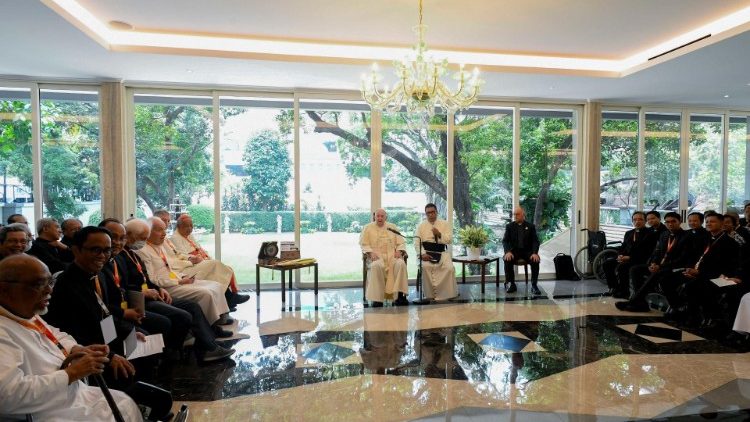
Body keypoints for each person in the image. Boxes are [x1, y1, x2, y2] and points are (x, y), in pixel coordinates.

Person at [0, 254, 142, 421]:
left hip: (71, 391)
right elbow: (7, 397)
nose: (49, 290)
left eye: (49, 282)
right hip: (46, 410)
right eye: (39, 284)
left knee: (125, 401)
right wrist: (72, 373)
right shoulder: (67, 286)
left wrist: (77, 349)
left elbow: (58, 334)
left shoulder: (24, 312)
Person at [121, 218, 234, 361]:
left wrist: (156, 288)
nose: (120, 242)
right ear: (130, 235)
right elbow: (127, 287)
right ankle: (195, 347)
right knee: (198, 300)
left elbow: (146, 279)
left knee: (199, 300)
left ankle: (208, 339)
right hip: (142, 299)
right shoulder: (134, 252)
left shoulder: (131, 252)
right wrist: (172, 283)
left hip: (154, 291)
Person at [136, 217, 232, 326]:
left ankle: (220, 318)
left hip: (176, 278)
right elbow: (152, 279)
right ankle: (211, 326)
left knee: (216, 285)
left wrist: (181, 277)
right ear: (147, 231)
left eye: (164, 230)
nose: (164, 233)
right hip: (167, 287)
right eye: (159, 230)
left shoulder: (159, 246)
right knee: (206, 294)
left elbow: (169, 268)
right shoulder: (143, 251)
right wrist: (178, 281)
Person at [616, 212, 693, 312]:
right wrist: (653, 263)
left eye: (673, 221)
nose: (670, 224)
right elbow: (657, 252)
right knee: (635, 270)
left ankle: (635, 301)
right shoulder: (664, 235)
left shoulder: (687, 236)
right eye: (667, 222)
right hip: (659, 265)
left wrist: (660, 266)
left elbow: (682, 258)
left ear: (680, 222)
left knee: (657, 274)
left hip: (673, 267)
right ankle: (641, 302)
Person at [167, 214, 248, 307]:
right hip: (188, 267)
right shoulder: (174, 238)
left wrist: (206, 257)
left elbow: (199, 248)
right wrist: (196, 258)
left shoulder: (189, 235)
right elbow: (182, 256)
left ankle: (228, 300)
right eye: (187, 226)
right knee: (216, 265)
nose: (190, 228)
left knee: (222, 269)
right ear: (179, 226)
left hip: (199, 261)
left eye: (191, 226)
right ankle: (230, 298)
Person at [360, 208, 409, 307]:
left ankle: (399, 295)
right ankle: (377, 299)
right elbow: (364, 244)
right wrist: (370, 253)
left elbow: (401, 242)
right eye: (378, 216)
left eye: (382, 216)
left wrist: (399, 250)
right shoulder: (367, 228)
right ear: (374, 216)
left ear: (385, 217)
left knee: (400, 264)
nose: (380, 218)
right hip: (376, 256)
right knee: (376, 266)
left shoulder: (392, 227)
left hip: (392, 255)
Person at [602, 211, 654, 299]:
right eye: (635, 220)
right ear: (632, 221)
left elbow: (647, 252)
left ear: (645, 221)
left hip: (640, 259)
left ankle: (624, 291)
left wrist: (629, 257)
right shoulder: (629, 233)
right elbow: (623, 247)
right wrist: (620, 255)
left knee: (623, 267)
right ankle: (614, 288)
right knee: (607, 264)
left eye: (640, 219)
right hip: (626, 258)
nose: (637, 222)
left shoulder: (650, 234)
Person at [415, 203, 457, 301]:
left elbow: (449, 240)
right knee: (426, 267)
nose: (430, 214)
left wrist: (439, 234)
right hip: (426, 252)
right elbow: (417, 242)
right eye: (428, 213)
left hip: (441, 252)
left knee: (449, 268)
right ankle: (430, 295)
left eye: (432, 212)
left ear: (436, 212)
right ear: (426, 214)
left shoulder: (445, 224)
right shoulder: (421, 226)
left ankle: (446, 294)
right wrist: (422, 254)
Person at [502, 207, 541, 295]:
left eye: (517, 214)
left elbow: (535, 241)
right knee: (507, 259)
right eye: (514, 214)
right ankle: (512, 284)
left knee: (535, 260)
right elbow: (505, 241)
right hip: (514, 251)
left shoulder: (530, 226)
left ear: (523, 215)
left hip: (527, 252)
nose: (515, 216)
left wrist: (535, 253)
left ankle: (534, 285)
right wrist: (507, 251)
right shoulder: (510, 226)